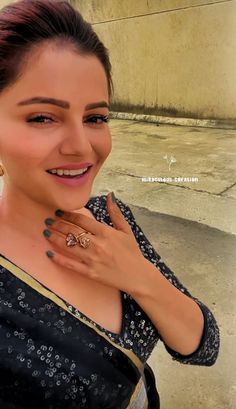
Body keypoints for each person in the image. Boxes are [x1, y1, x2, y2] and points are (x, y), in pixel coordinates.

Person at [0, 0, 220, 408]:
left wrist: (139, 277)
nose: (82, 148)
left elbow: (204, 346)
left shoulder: (109, 221)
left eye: (96, 118)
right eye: (43, 117)